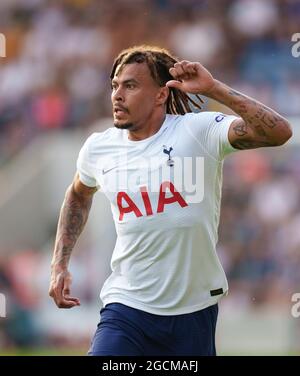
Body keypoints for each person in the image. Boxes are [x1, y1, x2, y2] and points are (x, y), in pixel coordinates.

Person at [49, 45, 292, 356]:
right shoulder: (99, 147)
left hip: (194, 310)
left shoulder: (197, 131)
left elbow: (280, 132)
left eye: (131, 85)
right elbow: (78, 194)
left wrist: (214, 88)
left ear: (160, 95)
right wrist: (60, 264)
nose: (117, 95)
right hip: (127, 307)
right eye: (115, 86)